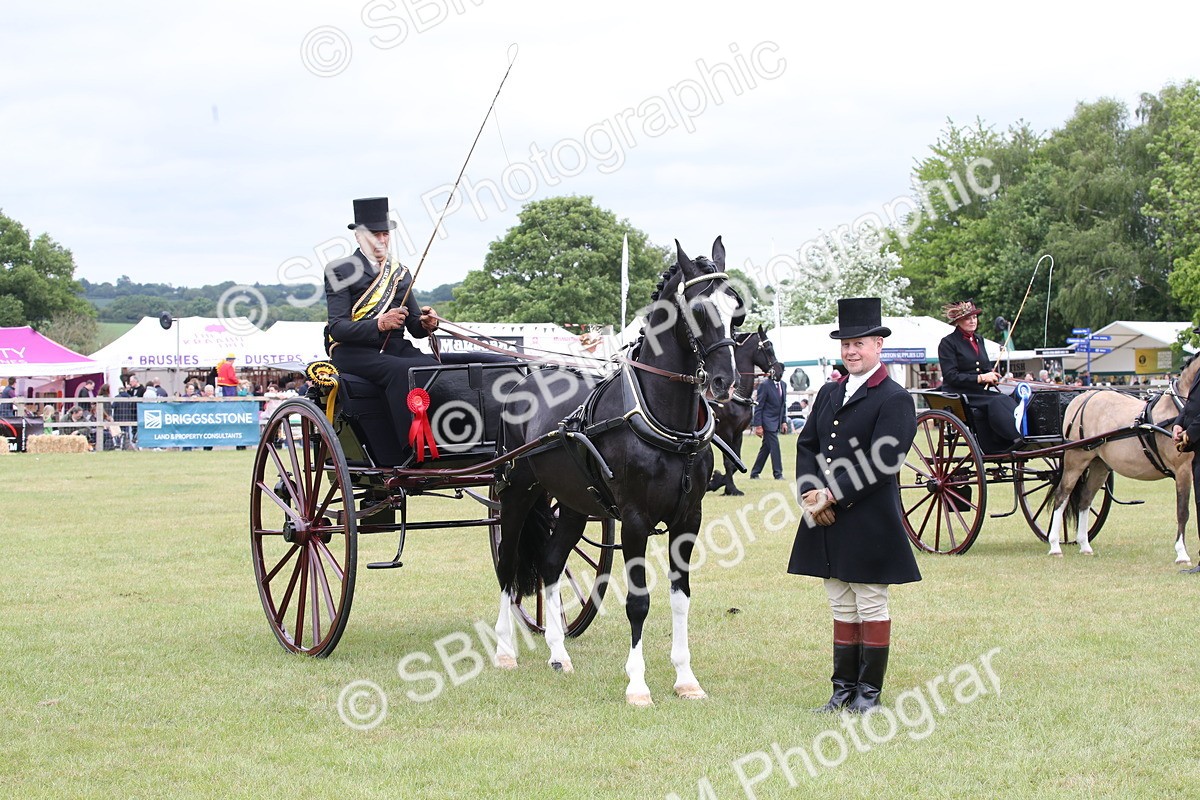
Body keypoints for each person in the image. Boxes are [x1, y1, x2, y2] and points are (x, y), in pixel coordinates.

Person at [789, 297, 920, 714]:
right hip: (825, 518)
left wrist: (833, 495)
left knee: (870, 602)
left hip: (868, 519)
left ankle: (869, 695)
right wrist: (811, 494)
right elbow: (808, 444)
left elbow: (885, 459)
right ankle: (841, 690)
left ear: (878, 346)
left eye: (859, 343)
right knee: (840, 602)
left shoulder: (895, 398)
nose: (851, 351)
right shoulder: (830, 392)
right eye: (846, 344)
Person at [937, 300, 1022, 453]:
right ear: (958, 321)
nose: (972, 321)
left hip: (979, 391)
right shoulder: (948, 343)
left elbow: (984, 366)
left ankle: (1020, 434)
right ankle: (1013, 438)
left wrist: (991, 374)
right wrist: (981, 378)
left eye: (974, 317)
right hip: (960, 393)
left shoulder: (979, 339)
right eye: (968, 318)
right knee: (998, 401)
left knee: (1010, 398)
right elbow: (951, 376)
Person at [750, 362, 787, 479]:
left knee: (766, 448)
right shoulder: (765, 385)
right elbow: (759, 406)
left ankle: (755, 473)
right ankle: (778, 473)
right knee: (775, 446)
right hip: (767, 421)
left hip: (776, 421)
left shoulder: (784, 385)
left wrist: (783, 421)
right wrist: (758, 425)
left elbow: (783, 405)